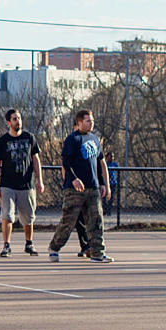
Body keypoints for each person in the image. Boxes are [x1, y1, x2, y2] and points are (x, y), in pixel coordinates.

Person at [48, 109, 113, 263]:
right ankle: (54, 247)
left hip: (93, 188)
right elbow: (66, 162)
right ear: (79, 122)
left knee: (96, 220)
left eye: (92, 120)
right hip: (75, 190)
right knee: (68, 222)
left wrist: (103, 183)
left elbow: (99, 163)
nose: (91, 123)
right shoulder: (73, 139)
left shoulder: (95, 139)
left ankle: (97, 253)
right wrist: (74, 179)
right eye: (88, 121)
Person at [0, 108, 46, 257]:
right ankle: (6, 245)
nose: (18, 121)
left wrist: (39, 181)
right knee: (7, 215)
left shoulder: (29, 138)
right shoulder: (2, 141)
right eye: (14, 119)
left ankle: (29, 243)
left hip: (26, 184)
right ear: (8, 122)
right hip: (7, 184)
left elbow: (35, 160)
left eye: (19, 118)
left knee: (28, 217)